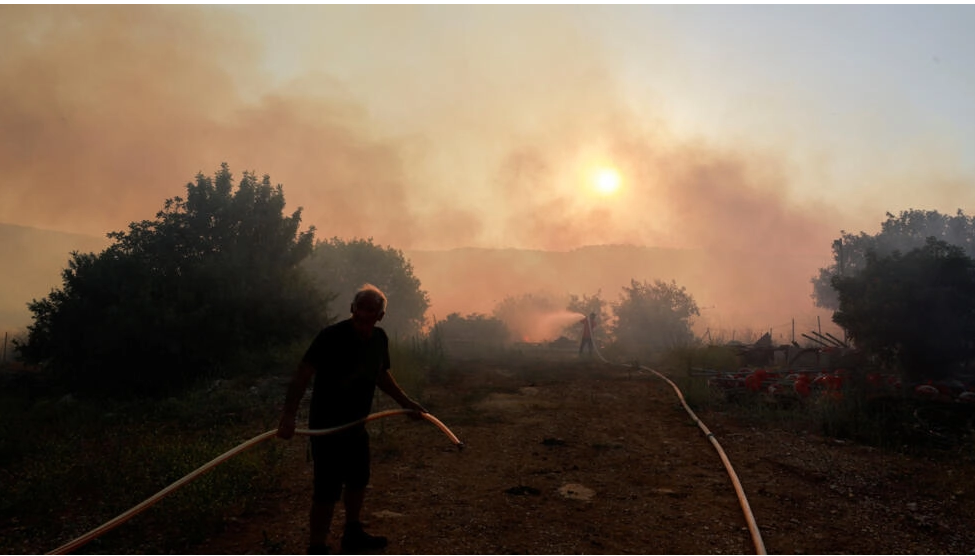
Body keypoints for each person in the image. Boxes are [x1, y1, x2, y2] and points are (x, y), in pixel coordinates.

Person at [277, 284, 427, 555]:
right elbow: (303, 375)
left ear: (380, 315)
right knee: (326, 489)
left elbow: (381, 375)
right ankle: (317, 546)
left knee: (358, 479)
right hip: (327, 427)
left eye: (372, 310)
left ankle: (352, 532)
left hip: (357, 425)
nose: (365, 314)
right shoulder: (330, 337)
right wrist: (288, 416)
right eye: (361, 307)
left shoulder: (379, 339)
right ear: (352, 308)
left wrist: (407, 403)